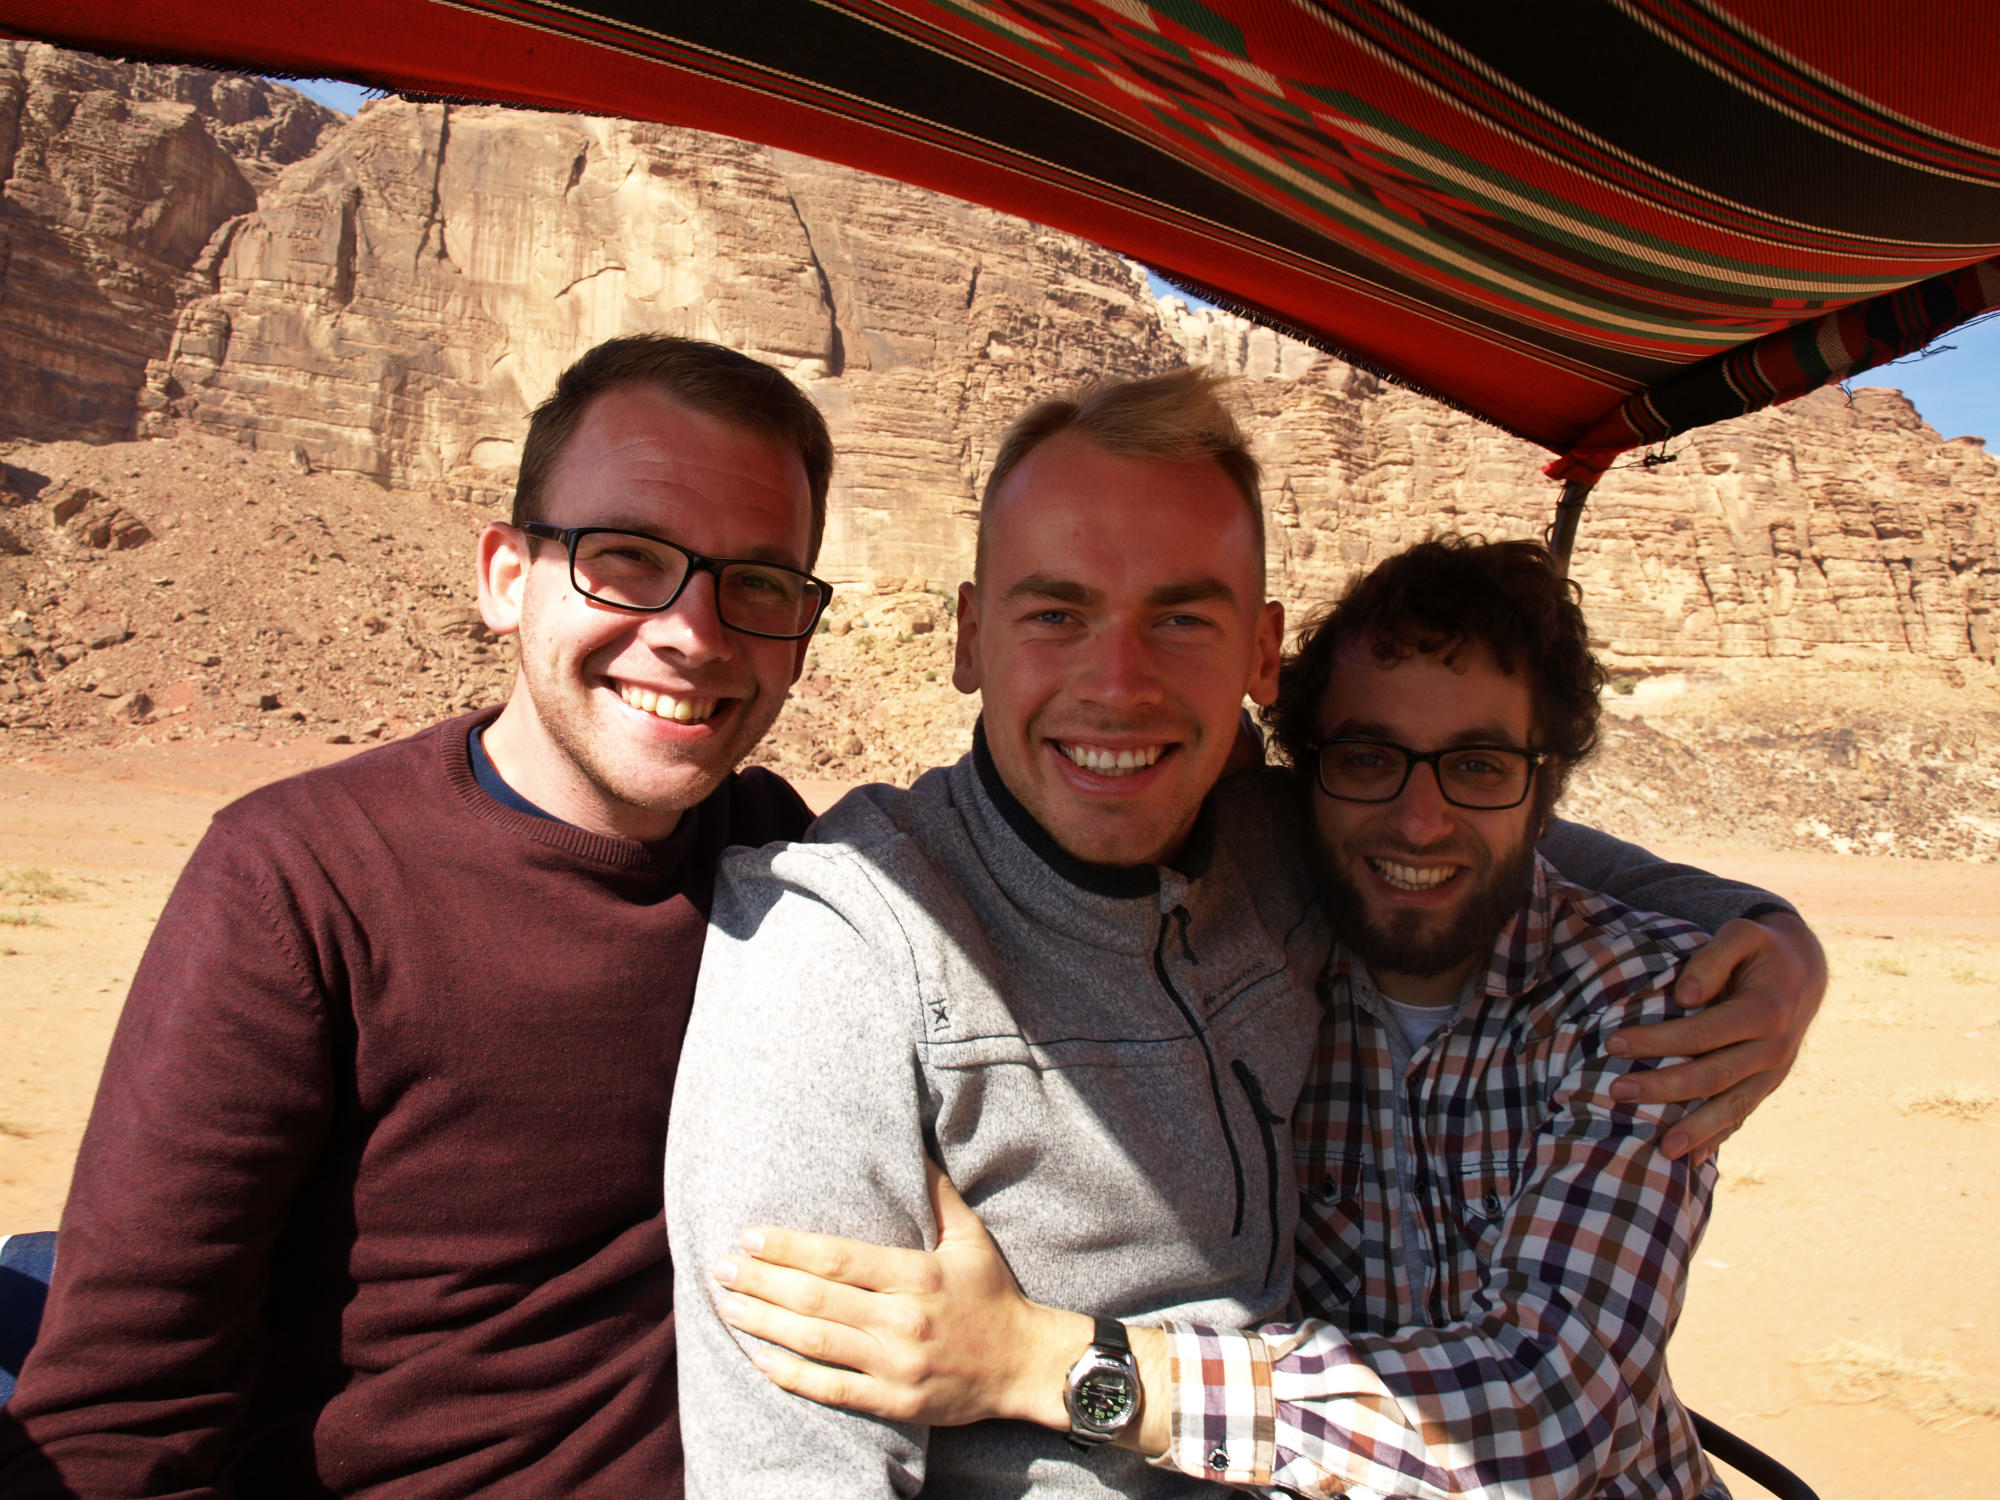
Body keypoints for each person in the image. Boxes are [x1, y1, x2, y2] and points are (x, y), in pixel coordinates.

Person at [666, 372, 1823, 1498]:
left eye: (1180, 619)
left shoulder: (1293, 851)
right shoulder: (840, 946)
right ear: (970, 636)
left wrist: (1757, 930)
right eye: (1056, 613)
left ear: (1258, 655)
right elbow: (791, 1463)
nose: (1117, 683)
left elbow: (1456, 834)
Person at [0, 334, 836, 1498]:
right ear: (506, 577)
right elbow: (122, 1411)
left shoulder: (787, 862)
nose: (694, 634)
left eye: (758, 584)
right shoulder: (300, 881)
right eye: (627, 558)